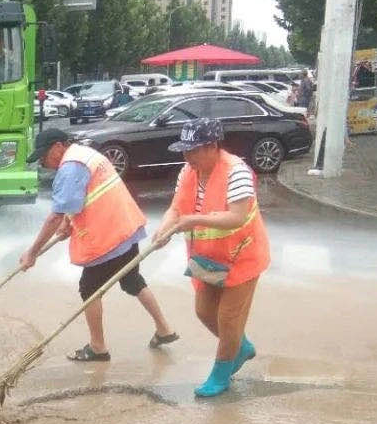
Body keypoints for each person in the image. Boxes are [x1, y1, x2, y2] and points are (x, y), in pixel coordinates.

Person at [20, 128, 177, 362]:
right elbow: (79, 199)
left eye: (44, 156)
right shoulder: (85, 154)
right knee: (132, 280)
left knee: (89, 289)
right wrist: (68, 222)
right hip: (126, 227)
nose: (44, 162)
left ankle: (98, 347)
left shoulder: (71, 166)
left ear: (58, 147)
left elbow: (55, 215)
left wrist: (32, 253)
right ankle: (165, 330)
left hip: (108, 236)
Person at [152, 119, 269, 397]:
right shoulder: (187, 172)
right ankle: (240, 346)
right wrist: (164, 229)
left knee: (228, 319)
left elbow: (237, 216)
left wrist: (194, 220)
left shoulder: (237, 172)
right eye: (184, 151)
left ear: (212, 146)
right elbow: (176, 208)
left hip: (242, 256)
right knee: (204, 312)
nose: (187, 157)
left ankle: (221, 373)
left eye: (193, 150)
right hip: (208, 259)